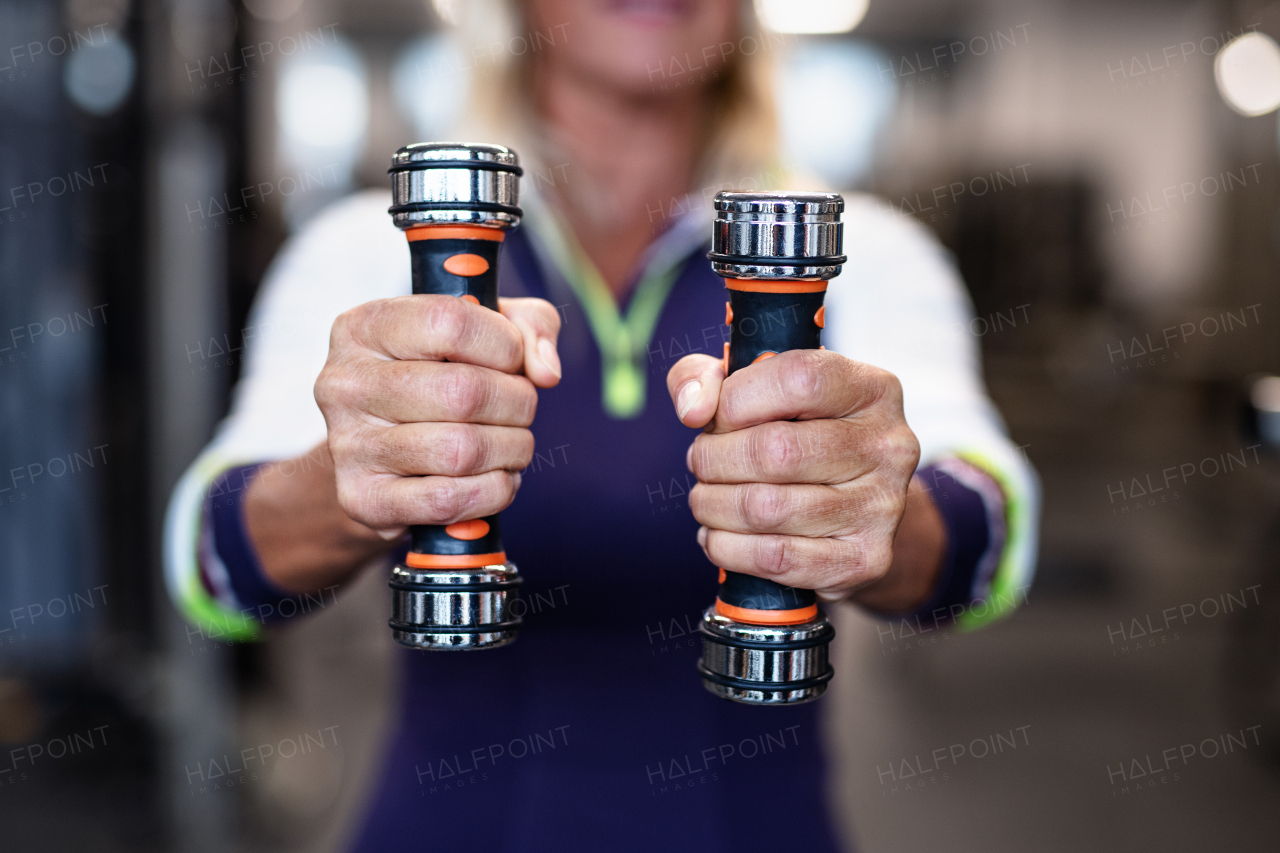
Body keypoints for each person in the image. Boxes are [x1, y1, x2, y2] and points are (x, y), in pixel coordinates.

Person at [165, 0, 1038, 848]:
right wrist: (349, 476)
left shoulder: (870, 252)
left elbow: (984, 538)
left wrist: (882, 507)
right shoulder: (366, 249)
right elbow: (217, 565)